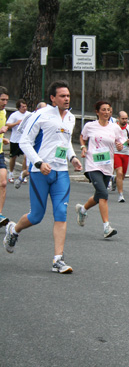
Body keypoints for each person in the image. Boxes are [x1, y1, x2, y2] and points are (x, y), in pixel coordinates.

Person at [3, 81, 83, 273]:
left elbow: (66, 143)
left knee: (61, 213)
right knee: (37, 216)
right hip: (40, 172)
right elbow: (24, 142)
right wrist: (38, 163)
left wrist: (72, 158)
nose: (66, 99)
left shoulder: (71, 118)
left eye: (68, 96)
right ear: (53, 98)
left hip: (61, 172)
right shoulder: (40, 115)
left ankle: (58, 259)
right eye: (62, 96)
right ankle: (14, 230)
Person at [75, 101, 125, 238]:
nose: (106, 112)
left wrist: (119, 146)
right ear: (97, 112)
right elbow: (82, 137)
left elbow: (119, 141)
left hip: (107, 165)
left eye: (109, 110)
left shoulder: (114, 128)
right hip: (93, 164)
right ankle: (106, 227)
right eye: (103, 110)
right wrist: (83, 147)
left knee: (98, 195)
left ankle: (83, 209)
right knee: (103, 194)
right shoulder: (90, 126)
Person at [113, 111, 129, 202]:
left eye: (126, 118)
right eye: (123, 119)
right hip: (115, 152)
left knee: (122, 175)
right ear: (118, 119)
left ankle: (114, 180)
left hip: (126, 153)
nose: (125, 120)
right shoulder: (113, 127)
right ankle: (121, 195)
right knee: (119, 172)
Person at [6, 99, 30, 187]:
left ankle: (23, 174)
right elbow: (7, 125)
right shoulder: (14, 115)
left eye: (25, 106)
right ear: (18, 107)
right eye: (22, 107)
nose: (24, 108)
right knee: (13, 157)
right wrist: (16, 123)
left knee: (26, 157)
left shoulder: (29, 115)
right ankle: (11, 173)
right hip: (15, 140)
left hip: (25, 140)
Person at [0, 87, 11, 226]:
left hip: (0, 153)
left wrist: (3, 139)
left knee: (3, 183)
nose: (5, 102)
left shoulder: (3, 112)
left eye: (7, 100)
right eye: (2, 99)